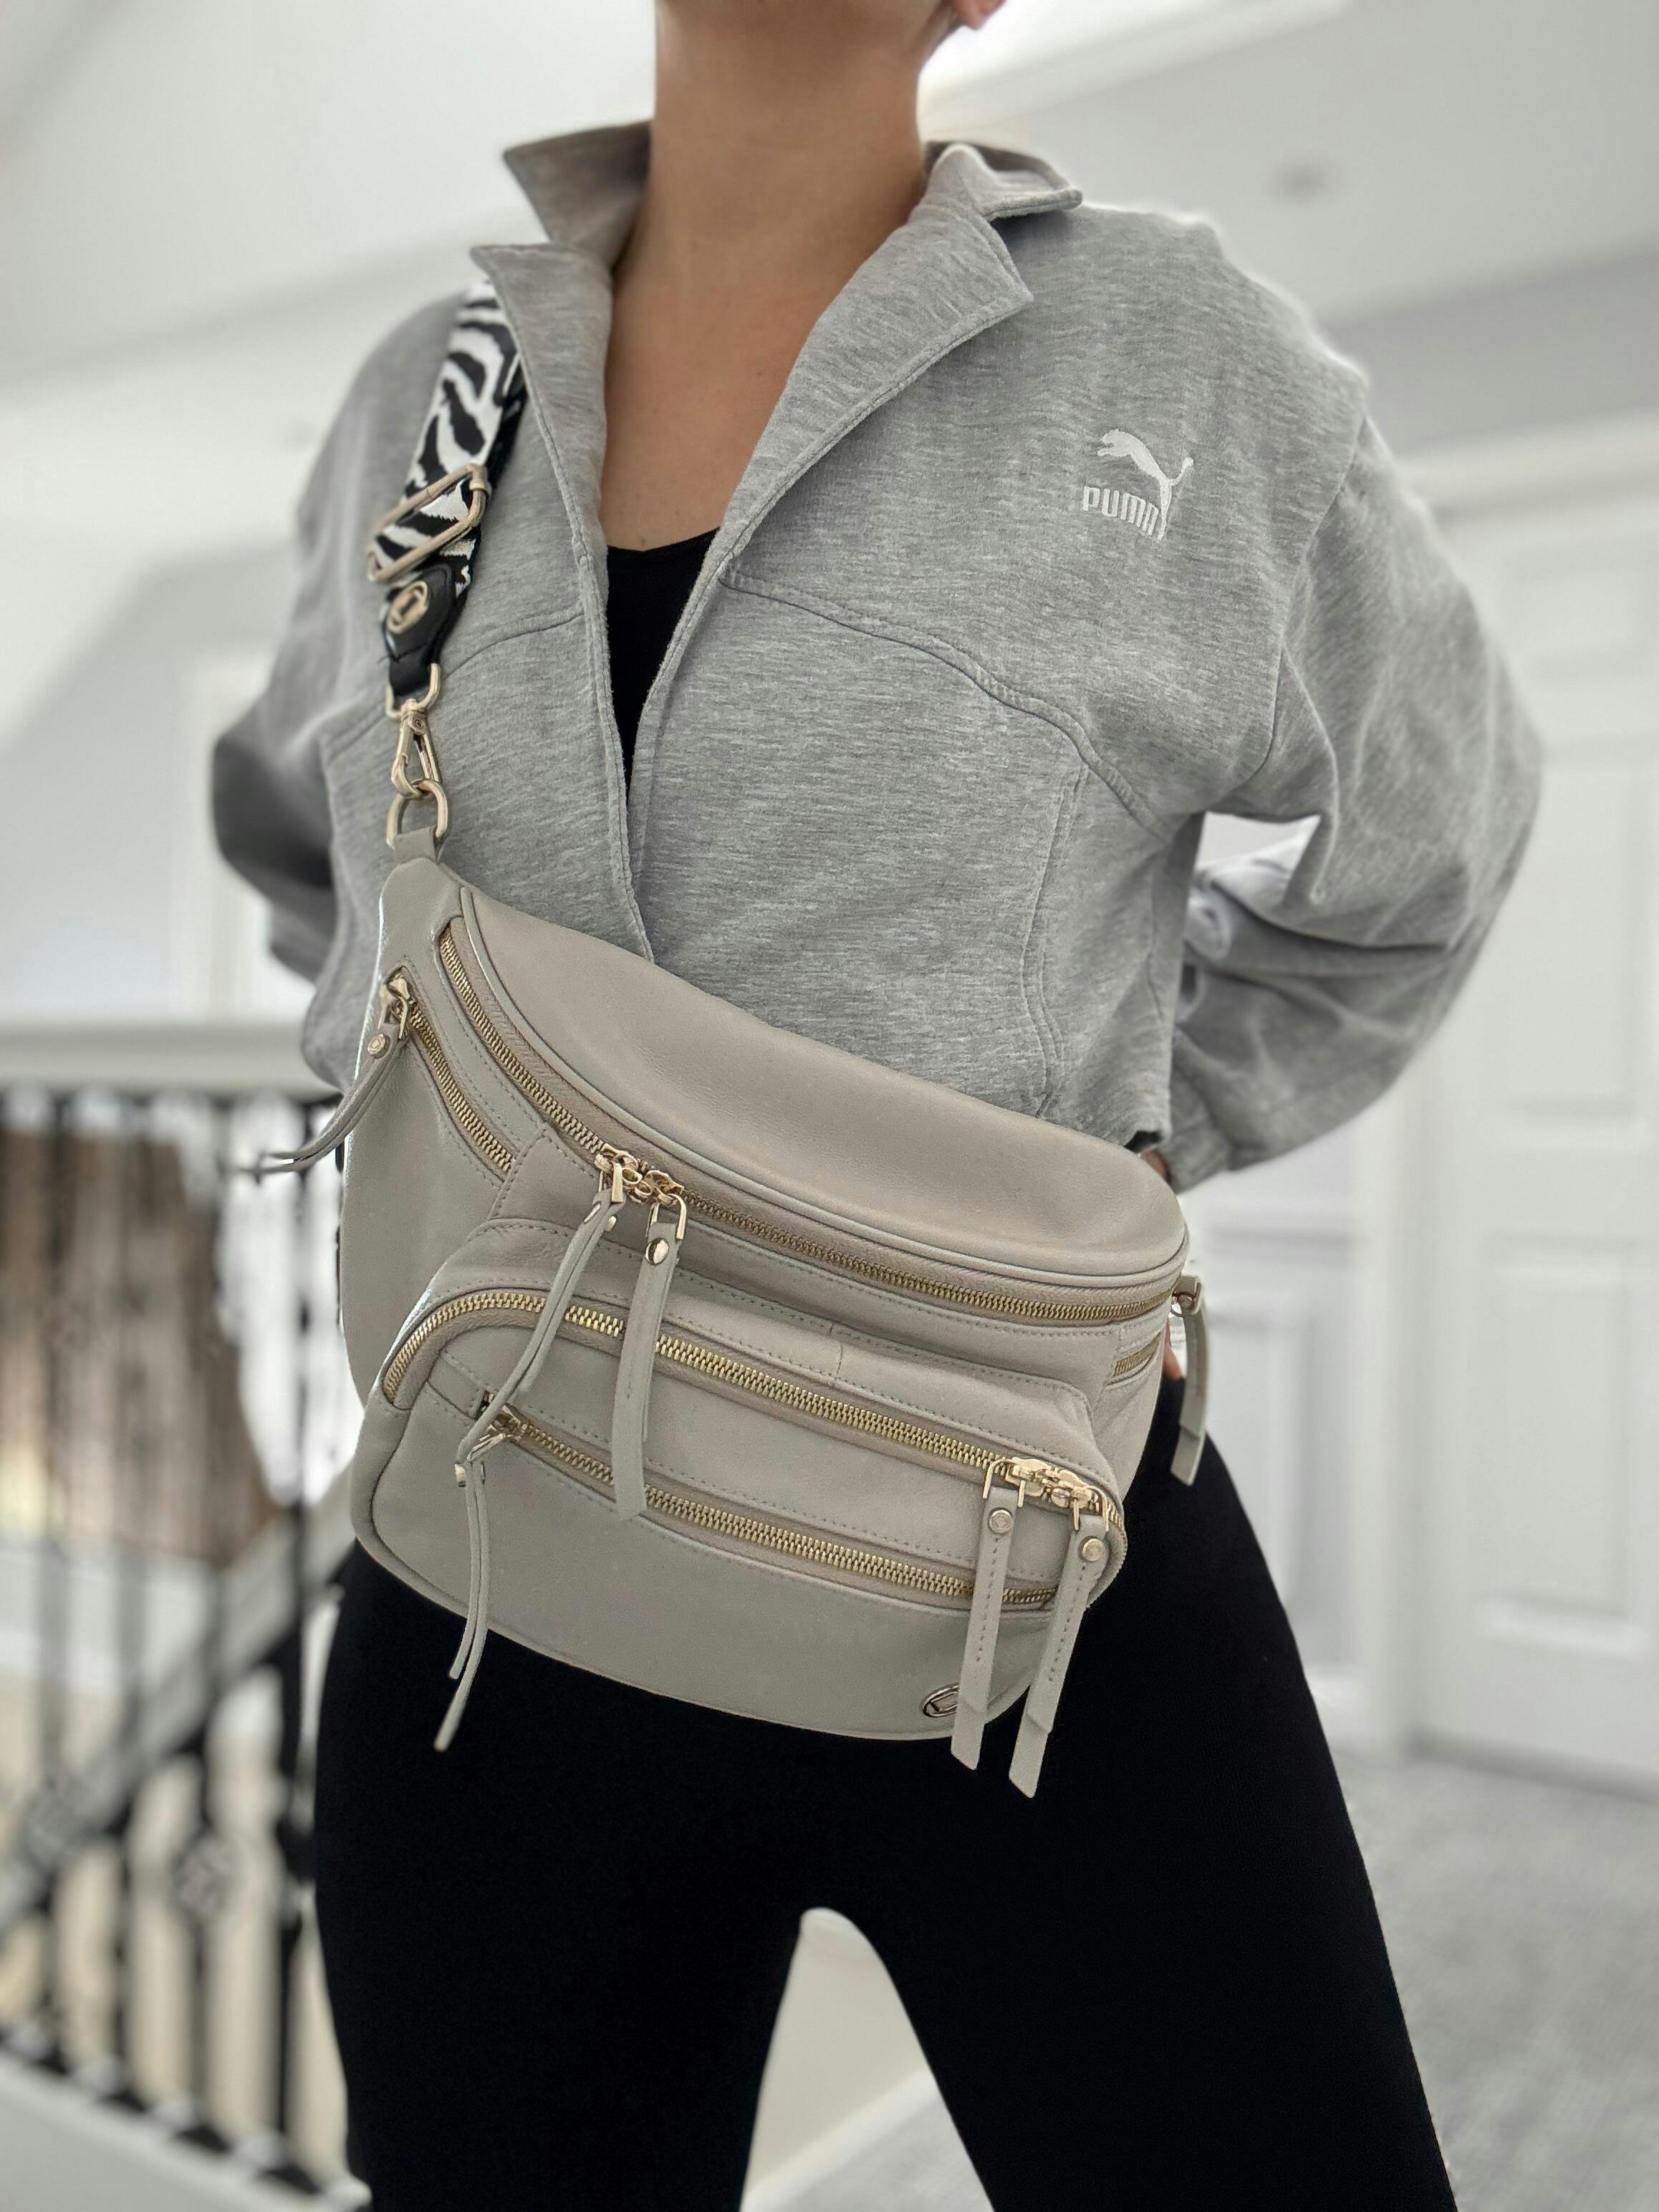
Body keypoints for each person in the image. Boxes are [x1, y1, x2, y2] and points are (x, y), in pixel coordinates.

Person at [213, 3, 1541, 2205]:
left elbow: (1429, 853)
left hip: (1029, 1565)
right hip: (494, 1581)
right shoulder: (422, 402)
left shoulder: (1174, 354)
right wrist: (457, 1118)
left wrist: (1127, 1149)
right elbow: (302, 844)